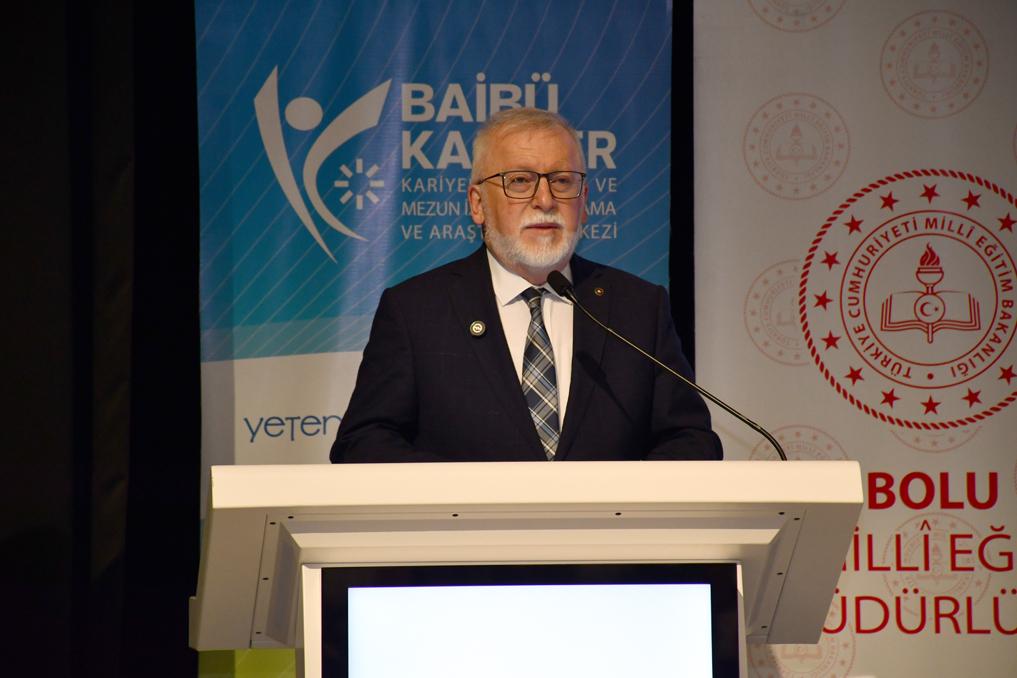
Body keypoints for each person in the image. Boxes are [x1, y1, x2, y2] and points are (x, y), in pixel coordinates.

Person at [330, 107, 722, 463]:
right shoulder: (416, 310)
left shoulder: (639, 307)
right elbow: (363, 442)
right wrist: (467, 497)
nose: (545, 200)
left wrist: (617, 500)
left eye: (562, 181)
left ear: (584, 200)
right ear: (477, 204)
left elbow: (691, 441)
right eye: (519, 181)